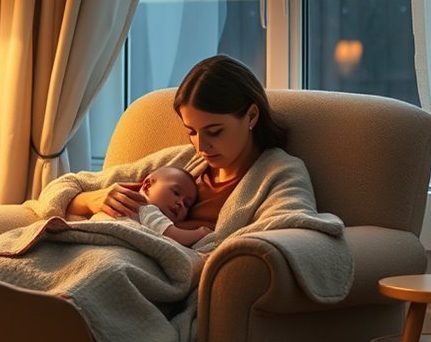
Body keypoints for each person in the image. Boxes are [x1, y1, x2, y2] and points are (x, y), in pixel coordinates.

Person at [66, 54, 288, 232]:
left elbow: (296, 224)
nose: (201, 147)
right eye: (191, 131)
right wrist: (91, 200)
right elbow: (67, 186)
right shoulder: (179, 162)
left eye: (214, 132)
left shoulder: (277, 174)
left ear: (251, 116)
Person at [91, 165, 212, 247]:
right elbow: (173, 235)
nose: (180, 203)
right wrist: (200, 233)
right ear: (147, 185)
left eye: (187, 204)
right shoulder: (148, 209)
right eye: (176, 192)